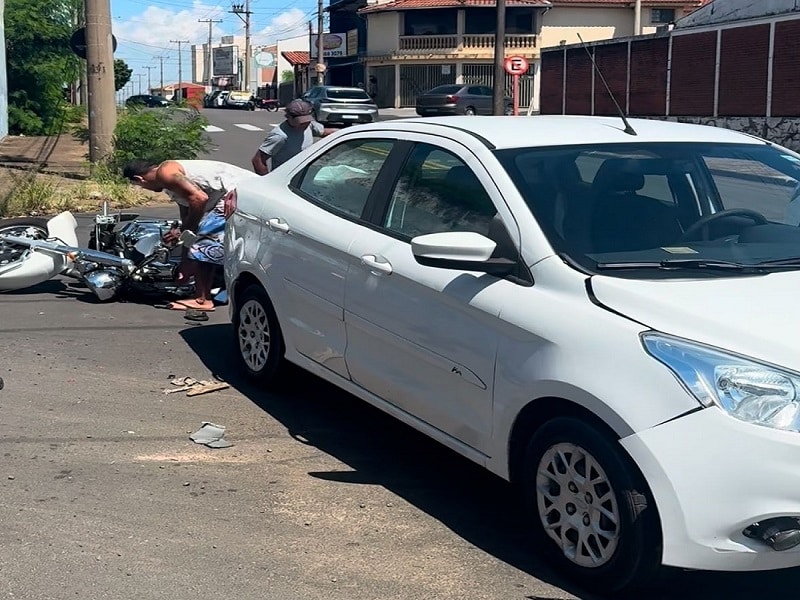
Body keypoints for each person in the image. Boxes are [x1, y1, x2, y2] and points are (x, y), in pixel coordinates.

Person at [123, 159, 258, 312]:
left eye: (139, 185)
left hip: (238, 192)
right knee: (199, 237)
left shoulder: (165, 173)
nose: (143, 188)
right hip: (238, 193)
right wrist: (184, 261)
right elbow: (187, 219)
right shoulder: (169, 185)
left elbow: (199, 198)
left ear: (139, 179)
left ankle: (202, 300)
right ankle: (208, 291)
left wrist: (184, 232)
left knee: (204, 241)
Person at [251, 98, 335, 176]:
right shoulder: (279, 136)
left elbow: (323, 132)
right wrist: (267, 182)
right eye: (301, 121)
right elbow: (258, 160)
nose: (304, 124)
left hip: (304, 175)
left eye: (307, 120)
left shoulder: (309, 124)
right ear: (288, 117)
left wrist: (345, 132)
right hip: (285, 178)